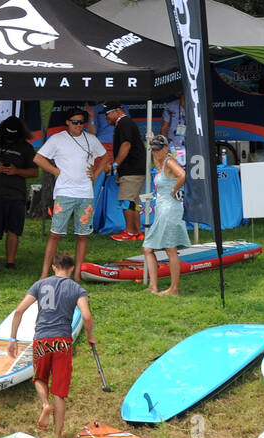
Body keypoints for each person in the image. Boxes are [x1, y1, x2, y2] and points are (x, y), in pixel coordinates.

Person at [6, 252, 95, 438]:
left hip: (42, 340)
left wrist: (12, 338)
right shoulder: (77, 289)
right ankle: (57, 436)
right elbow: (86, 316)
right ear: (71, 269)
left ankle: (45, 404)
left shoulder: (40, 285)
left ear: (54, 267)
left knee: (39, 378)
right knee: (59, 392)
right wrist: (90, 336)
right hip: (62, 341)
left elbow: (20, 310)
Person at [34, 107, 108, 280]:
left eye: (81, 122)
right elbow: (38, 158)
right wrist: (55, 171)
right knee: (55, 234)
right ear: (67, 122)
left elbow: (105, 157)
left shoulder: (91, 139)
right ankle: (45, 273)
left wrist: (96, 174)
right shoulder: (57, 139)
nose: (78, 125)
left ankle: (77, 274)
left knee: (82, 235)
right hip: (64, 192)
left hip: (85, 192)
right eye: (75, 122)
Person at [0, 115, 37, 270]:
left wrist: (16, 171)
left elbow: (34, 172)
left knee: (14, 229)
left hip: (16, 195)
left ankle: (10, 262)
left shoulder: (26, 148)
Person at [141, 135, 190, 296]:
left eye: (158, 150)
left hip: (170, 209)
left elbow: (182, 175)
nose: (155, 153)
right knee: (148, 248)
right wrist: (153, 139)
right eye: (153, 150)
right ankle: (153, 286)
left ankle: (174, 288)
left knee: (170, 249)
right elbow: (157, 146)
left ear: (166, 150)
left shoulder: (169, 162)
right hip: (162, 209)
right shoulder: (160, 161)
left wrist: (174, 190)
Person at [104, 104, 146, 241]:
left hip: (132, 169)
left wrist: (115, 164)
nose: (106, 118)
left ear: (116, 111)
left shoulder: (124, 123)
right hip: (134, 168)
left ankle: (129, 232)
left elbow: (126, 144)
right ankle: (137, 232)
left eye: (107, 114)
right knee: (134, 202)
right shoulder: (124, 123)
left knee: (126, 201)